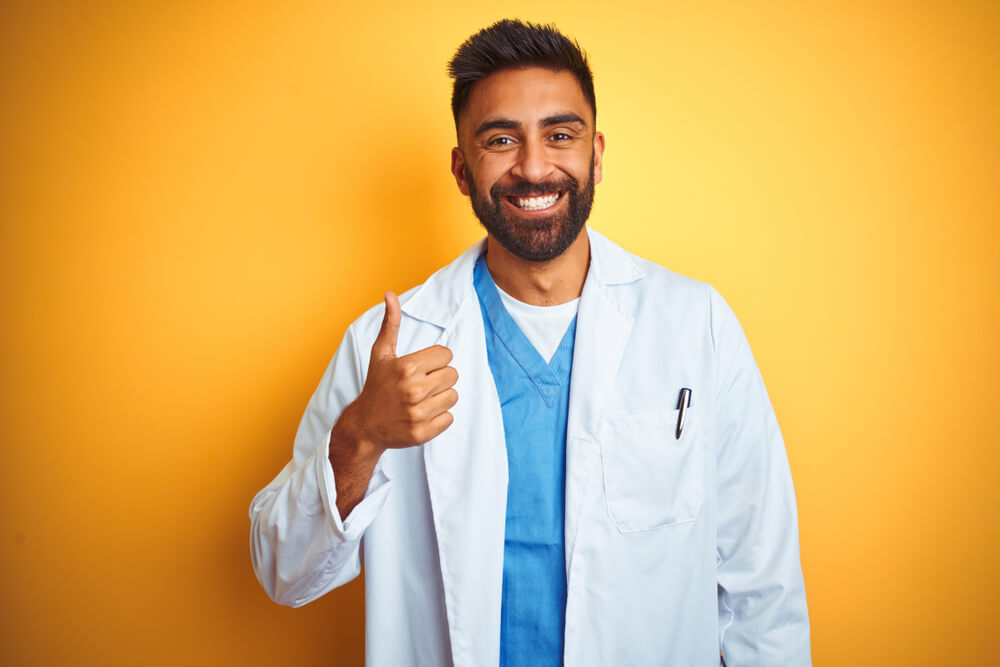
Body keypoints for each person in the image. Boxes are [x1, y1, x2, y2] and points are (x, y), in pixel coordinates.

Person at [249, 19, 811, 667]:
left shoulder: (696, 325)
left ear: (596, 155)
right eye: (500, 139)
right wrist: (360, 437)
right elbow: (283, 572)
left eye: (560, 135)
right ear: (462, 170)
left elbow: (761, 585)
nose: (535, 166)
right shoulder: (386, 348)